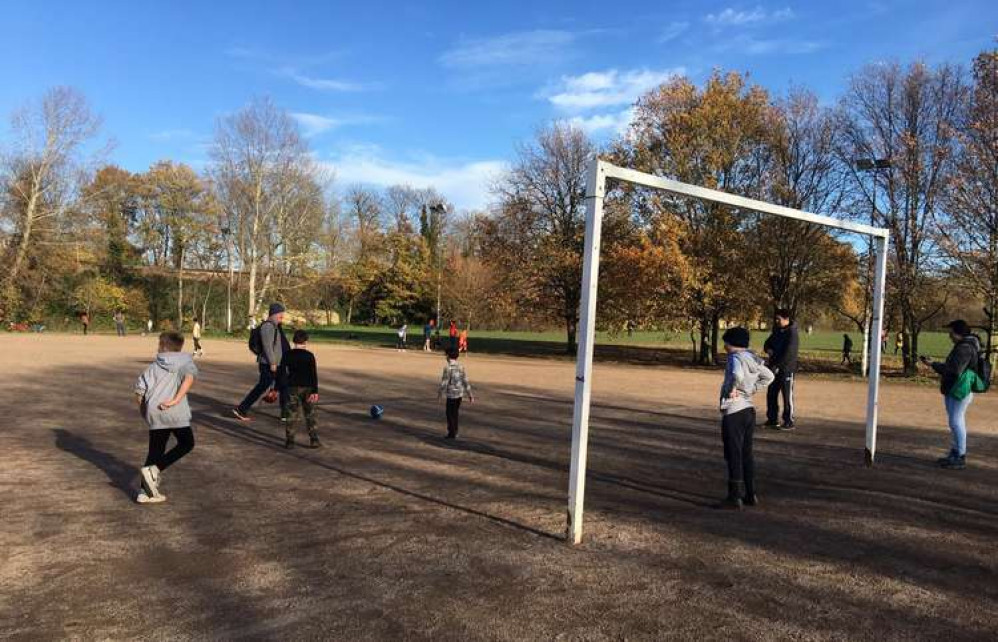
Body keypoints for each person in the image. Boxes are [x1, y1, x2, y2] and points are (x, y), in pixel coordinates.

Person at [133, 331, 198, 504]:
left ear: (162, 346)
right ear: (180, 346)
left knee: (155, 451)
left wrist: (144, 412)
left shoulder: (154, 366)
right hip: (175, 411)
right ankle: (155, 470)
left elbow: (139, 391)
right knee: (187, 443)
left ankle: (143, 492)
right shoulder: (185, 360)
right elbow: (189, 379)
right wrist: (175, 400)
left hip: (155, 411)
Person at [716, 327, 774, 510]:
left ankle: (734, 497)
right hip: (749, 411)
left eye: (726, 341)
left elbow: (737, 374)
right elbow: (769, 376)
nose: (724, 345)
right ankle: (751, 493)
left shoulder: (735, 357)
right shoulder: (752, 357)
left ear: (732, 343)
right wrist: (752, 389)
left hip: (734, 411)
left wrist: (734, 387)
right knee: (746, 454)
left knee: (733, 454)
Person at [920, 320, 982, 470]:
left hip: (959, 389)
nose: (949, 336)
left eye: (951, 332)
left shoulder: (965, 348)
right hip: (955, 388)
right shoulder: (964, 346)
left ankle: (960, 455)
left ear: (957, 333)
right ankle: (955, 452)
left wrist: (933, 365)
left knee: (956, 421)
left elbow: (954, 370)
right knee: (954, 422)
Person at [232, 303, 290, 422]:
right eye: (280, 315)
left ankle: (285, 413)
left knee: (284, 385)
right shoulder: (267, 327)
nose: (282, 317)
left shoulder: (275, 326)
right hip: (268, 363)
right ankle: (241, 409)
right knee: (262, 386)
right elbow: (267, 346)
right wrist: (272, 362)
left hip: (278, 364)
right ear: (274, 314)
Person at [281, 329, 321, 449]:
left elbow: (282, 372)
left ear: (294, 341)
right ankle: (313, 439)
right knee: (310, 414)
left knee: (291, 415)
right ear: (306, 341)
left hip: (292, 387)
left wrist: (282, 386)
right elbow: (314, 374)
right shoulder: (309, 356)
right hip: (308, 387)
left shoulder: (287, 354)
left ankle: (290, 441)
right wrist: (315, 391)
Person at [763, 309, 799, 430]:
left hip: (786, 369)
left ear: (786, 319)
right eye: (776, 319)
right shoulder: (777, 330)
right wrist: (768, 349)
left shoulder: (792, 333)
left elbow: (789, 353)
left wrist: (778, 366)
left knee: (787, 396)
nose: (776, 321)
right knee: (771, 394)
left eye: (779, 319)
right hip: (774, 368)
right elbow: (767, 343)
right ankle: (772, 420)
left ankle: (789, 421)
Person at [437, 346, 474, 440]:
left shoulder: (448, 368)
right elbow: (465, 380)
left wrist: (440, 394)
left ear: (448, 356)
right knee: (455, 413)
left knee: (449, 413)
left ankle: (452, 432)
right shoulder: (461, 367)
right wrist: (470, 394)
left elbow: (444, 382)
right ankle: (455, 431)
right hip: (459, 394)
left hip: (451, 394)